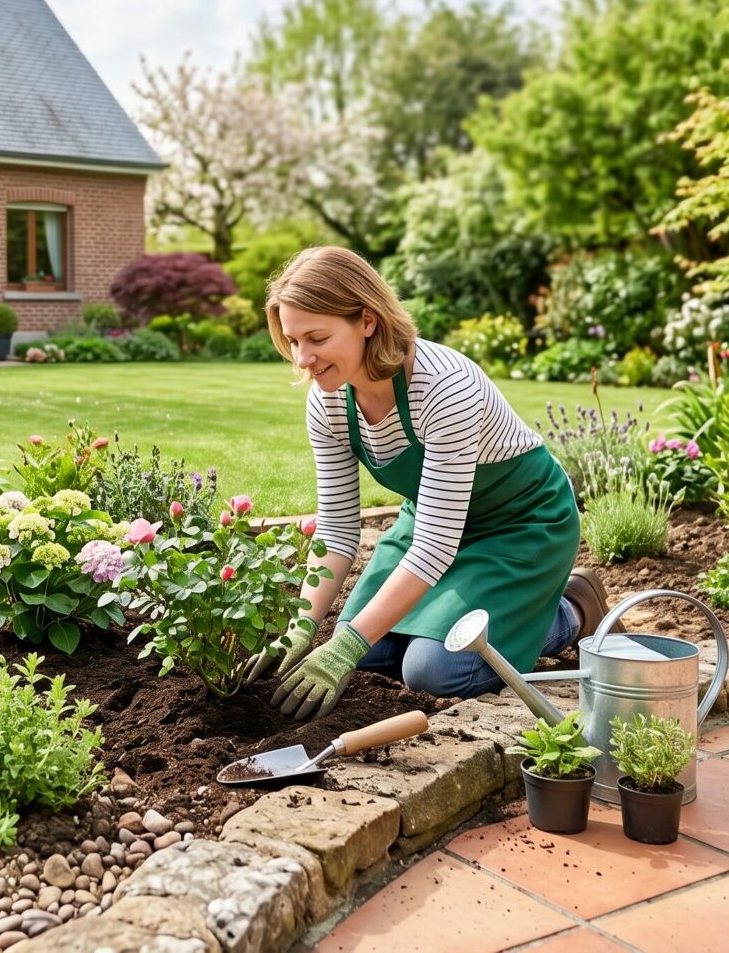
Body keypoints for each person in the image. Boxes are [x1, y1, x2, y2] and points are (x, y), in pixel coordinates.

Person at [244, 246, 608, 720]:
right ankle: (458, 620)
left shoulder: (444, 387)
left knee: (434, 671)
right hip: (432, 524)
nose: (303, 358)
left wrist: (346, 645)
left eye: (317, 338)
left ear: (367, 321)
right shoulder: (328, 402)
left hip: (521, 525)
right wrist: (302, 626)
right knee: (367, 655)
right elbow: (336, 528)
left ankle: (570, 611)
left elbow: (436, 546)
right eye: (293, 341)